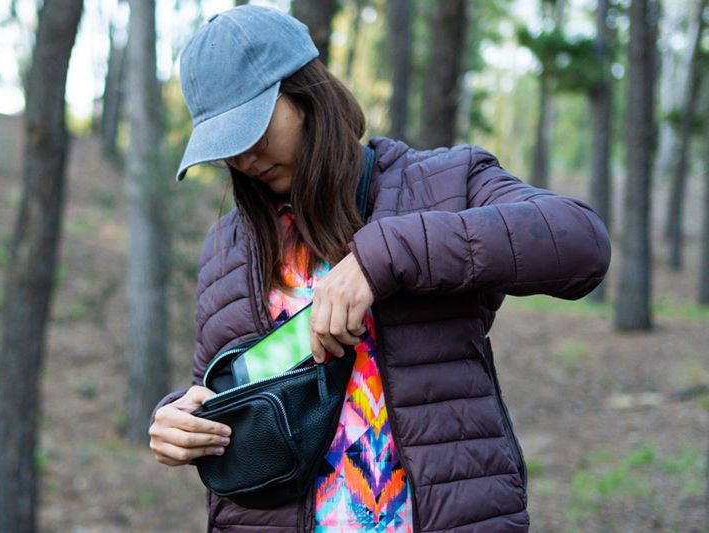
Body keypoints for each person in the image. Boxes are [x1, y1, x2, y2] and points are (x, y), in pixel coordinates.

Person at [148, 5, 610, 532]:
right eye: (225, 143)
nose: (245, 156)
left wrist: (383, 255)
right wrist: (182, 420)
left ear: (308, 92)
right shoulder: (229, 244)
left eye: (254, 126)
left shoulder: (442, 184)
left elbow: (581, 244)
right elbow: (227, 392)